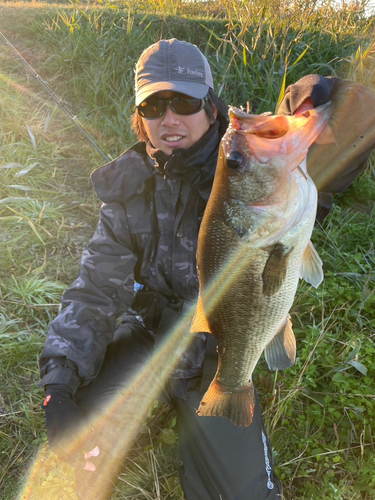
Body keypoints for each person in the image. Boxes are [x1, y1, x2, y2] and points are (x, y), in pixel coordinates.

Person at [39, 38, 375, 500]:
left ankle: (213, 408)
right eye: (155, 104)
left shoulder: (253, 164)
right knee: (88, 452)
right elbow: (94, 292)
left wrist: (312, 99)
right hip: (150, 337)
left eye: (184, 101)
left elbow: (358, 118)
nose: (170, 117)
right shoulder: (128, 189)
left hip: (218, 344)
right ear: (140, 118)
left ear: (211, 108)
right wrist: (58, 383)